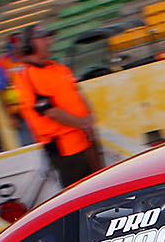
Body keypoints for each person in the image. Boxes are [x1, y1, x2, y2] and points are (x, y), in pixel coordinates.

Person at [11, 27, 102, 187]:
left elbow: (77, 93)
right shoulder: (28, 75)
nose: (49, 42)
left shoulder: (58, 68)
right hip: (66, 149)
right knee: (79, 192)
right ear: (29, 45)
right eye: (43, 39)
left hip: (86, 140)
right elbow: (50, 111)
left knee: (101, 186)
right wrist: (82, 123)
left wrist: (88, 119)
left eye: (48, 38)